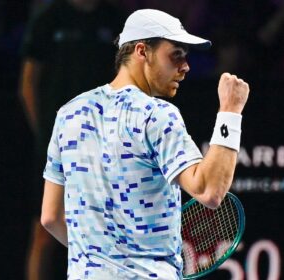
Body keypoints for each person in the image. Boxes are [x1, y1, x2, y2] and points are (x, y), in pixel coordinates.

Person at [40, 8, 249, 279]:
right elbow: (209, 190)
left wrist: (104, 259)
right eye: (176, 54)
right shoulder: (156, 114)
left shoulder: (69, 113)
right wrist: (230, 113)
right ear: (142, 51)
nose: (185, 66)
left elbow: (50, 217)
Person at [19, 0, 124, 279]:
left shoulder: (114, 21)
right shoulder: (50, 19)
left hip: (101, 147)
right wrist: (46, 134)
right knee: (44, 230)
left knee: (104, 229)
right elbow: (28, 82)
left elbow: (124, 82)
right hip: (55, 147)